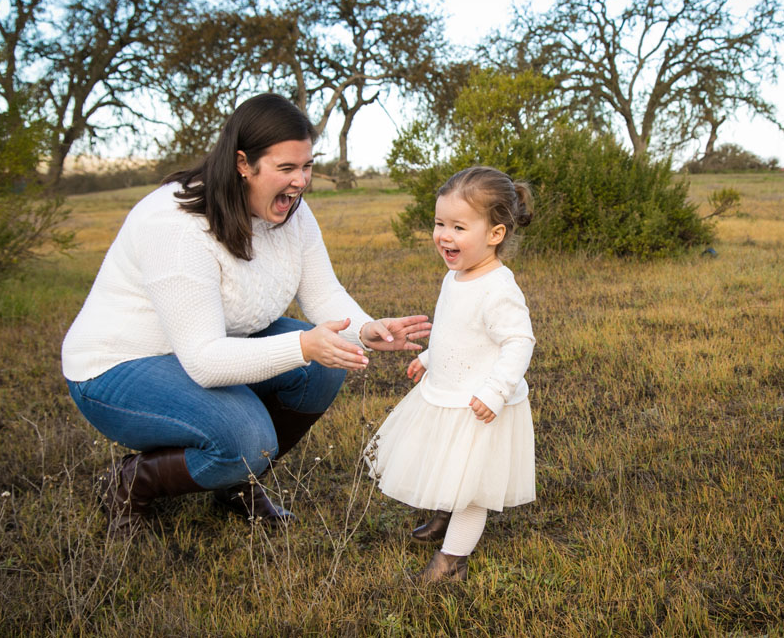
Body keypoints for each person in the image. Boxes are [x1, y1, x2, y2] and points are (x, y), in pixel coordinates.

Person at [61, 93, 431, 534]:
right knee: (249, 439)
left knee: (322, 369)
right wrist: (301, 345)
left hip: (206, 347)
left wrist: (366, 329)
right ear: (243, 163)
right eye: (286, 168)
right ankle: (129, 484)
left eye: (307, 166)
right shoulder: (176, 225)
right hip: (118, 368)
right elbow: (202, 360)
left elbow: (323, 291)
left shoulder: (292, 213)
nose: (301, 182)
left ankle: (238, 484)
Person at [368, 166, 536, 582]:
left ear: (494, 234)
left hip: (480, 404)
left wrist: (496, 391)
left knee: (473, 489)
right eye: (439, 223)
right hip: (448, 391)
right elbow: (453, 328)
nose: (444, 235)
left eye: (458, 226)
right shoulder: (455, 276)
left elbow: (519, 342)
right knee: (446, 461)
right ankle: (444, 514)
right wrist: (429, 358)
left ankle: (450, 562)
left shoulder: (499, 289)